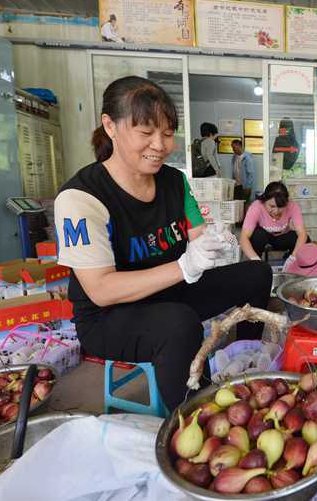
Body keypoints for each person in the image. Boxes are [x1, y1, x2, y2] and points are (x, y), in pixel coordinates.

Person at [54, 76, 271, 410]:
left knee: (257, 273)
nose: (160, 145)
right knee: (178, 323)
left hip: (169, 291)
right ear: (110, 126)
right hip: (109, 316)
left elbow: (198, 234)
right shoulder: (81, 197)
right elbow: (100, 289)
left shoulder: (173, 181)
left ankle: (247, 358)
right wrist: (185, 266)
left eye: (168, 134)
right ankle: (198, 415)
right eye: (146, 133)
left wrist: (214, 241)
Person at [239, 182, 308, 263]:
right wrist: (256, 260)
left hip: (282, 237)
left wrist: (293, 257)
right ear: (264, 201)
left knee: (305, 240)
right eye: (272, 206)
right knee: (257, 235)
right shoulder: (256, 207)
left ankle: (289, 259)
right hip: (264, 238)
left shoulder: (292, 206)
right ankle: (255, 262)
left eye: (280, 206)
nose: (276, 211)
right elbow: (243, 238)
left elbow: (302, 234)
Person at [232, 139, 254, 204]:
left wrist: (248, 187)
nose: (233, 149)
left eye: (234, 147)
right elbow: (234, 171)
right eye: (232, 147)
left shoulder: (247, 158)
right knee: (237, 204)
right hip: (236, 185)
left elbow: (250, 174)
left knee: (244, 204)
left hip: (244, 187)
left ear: (239, 146)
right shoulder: (234, 157)